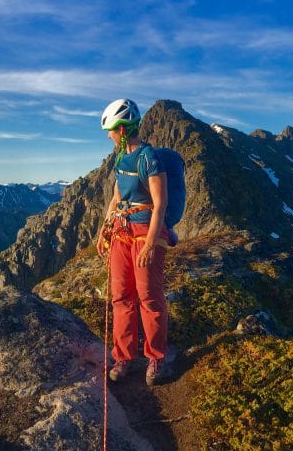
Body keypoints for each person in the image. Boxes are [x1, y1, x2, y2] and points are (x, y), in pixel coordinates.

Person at [96, 98, 186, 387]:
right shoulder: (121, 158)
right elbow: (116, 197)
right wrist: (104, 229)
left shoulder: (150, 158)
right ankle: (124, 356)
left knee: (149, 296)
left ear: (122, 129)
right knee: (121, 295)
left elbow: (160, 204)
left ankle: (156, 357)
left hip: (147, 232)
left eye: (111, 130)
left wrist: (149, 245)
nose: (109, 135)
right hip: (122, 230)